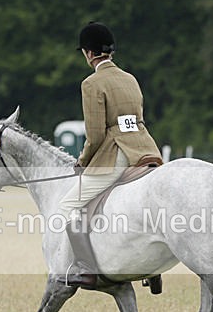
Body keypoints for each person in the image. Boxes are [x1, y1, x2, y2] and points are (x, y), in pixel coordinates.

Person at [58, 22, 162, 287]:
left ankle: (87, 268)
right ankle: (154, 270)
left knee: (69, 207)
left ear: (89, 53)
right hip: (146, 148)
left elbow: (95, 136)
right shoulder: (131, 79)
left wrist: (82, 161)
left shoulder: (91, 83)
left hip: (118, 153)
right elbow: (136, 119)